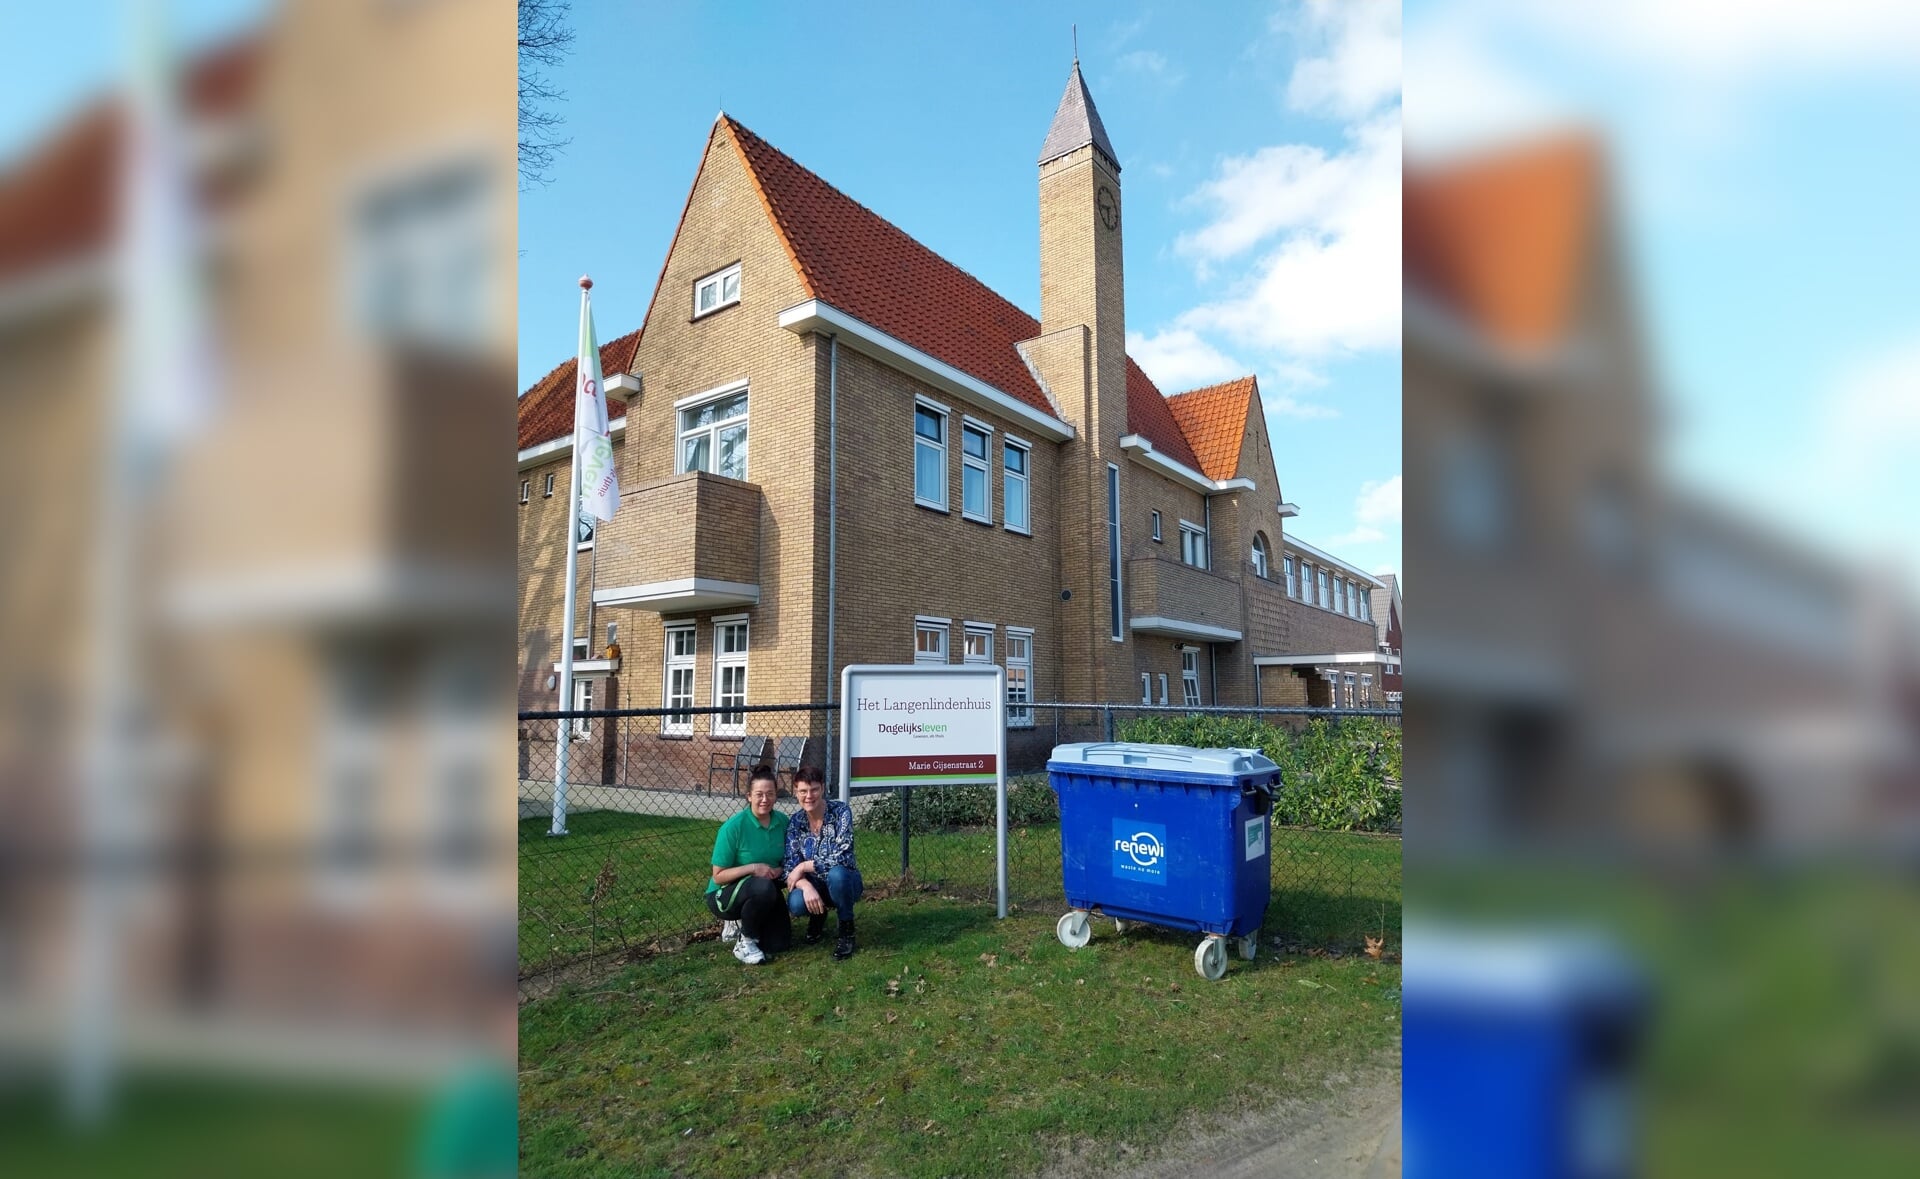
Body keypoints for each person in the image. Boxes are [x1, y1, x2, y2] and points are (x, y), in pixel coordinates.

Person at [706, 768, 790, 964]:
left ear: (776, 796)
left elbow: (790, 857)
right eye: (759, 794)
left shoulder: (783, 822)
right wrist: (753, 868)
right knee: (761, 885)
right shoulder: (733, 827)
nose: (765, 799)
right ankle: (745, 941)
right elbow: (718, 876)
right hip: (724, 895)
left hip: (766, 888)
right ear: (749, 796)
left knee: (780, 944)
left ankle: (752, 924)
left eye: (770, 794)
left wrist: (780, 869)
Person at [782, 765, 863, 960]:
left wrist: (804, 866)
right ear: (796, 792)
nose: (809, 796)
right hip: (815, 884)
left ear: (823, 788)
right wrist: (806, 886)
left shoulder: (840, 811)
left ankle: (846, 931)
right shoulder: (795, 822)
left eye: (814, 790)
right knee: (796, 903)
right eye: (803, 791)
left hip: (845, 881)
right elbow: (789, 867)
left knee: (837, 874)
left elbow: (842, 856)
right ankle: (818, 915)